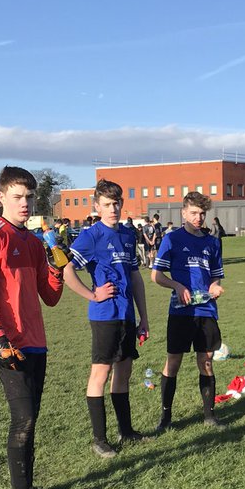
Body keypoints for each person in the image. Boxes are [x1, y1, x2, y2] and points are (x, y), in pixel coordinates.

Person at [0, 167, 64, 489]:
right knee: (22, 420)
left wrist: (57, 268)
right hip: (10, 345)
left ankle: (27, 488)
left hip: (37, 343)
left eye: (29, 197)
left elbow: (50, 297)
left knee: (31, 420)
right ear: (1, 198)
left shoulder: (33, 242)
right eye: (17, 197)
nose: (25, 204)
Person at [64, 178, 149, 457]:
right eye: (107, 204)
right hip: (104, 316)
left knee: (124, 372)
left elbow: (135, 277)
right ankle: (99, 439)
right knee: (100, 373)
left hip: (126, 315)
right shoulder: (91, 236)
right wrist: (93, 294)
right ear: (97, 206)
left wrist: (143, 317)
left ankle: (126, 431)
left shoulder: (127, 234)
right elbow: (67, 271)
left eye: (117, 203)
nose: (113, 209)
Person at [151, 191, 225, 431]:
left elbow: (215, 275)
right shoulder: (172, 239)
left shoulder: (212, 242)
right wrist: (177, 285)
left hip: (206, 310)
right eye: (194, 213)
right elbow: (156, 275)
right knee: (173, 362)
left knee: (206, 362)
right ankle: (166, 418)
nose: (198, 217)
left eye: (202, 213)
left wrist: (215, 286)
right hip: (181, 312)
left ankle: (210, 416)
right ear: (183, 212)